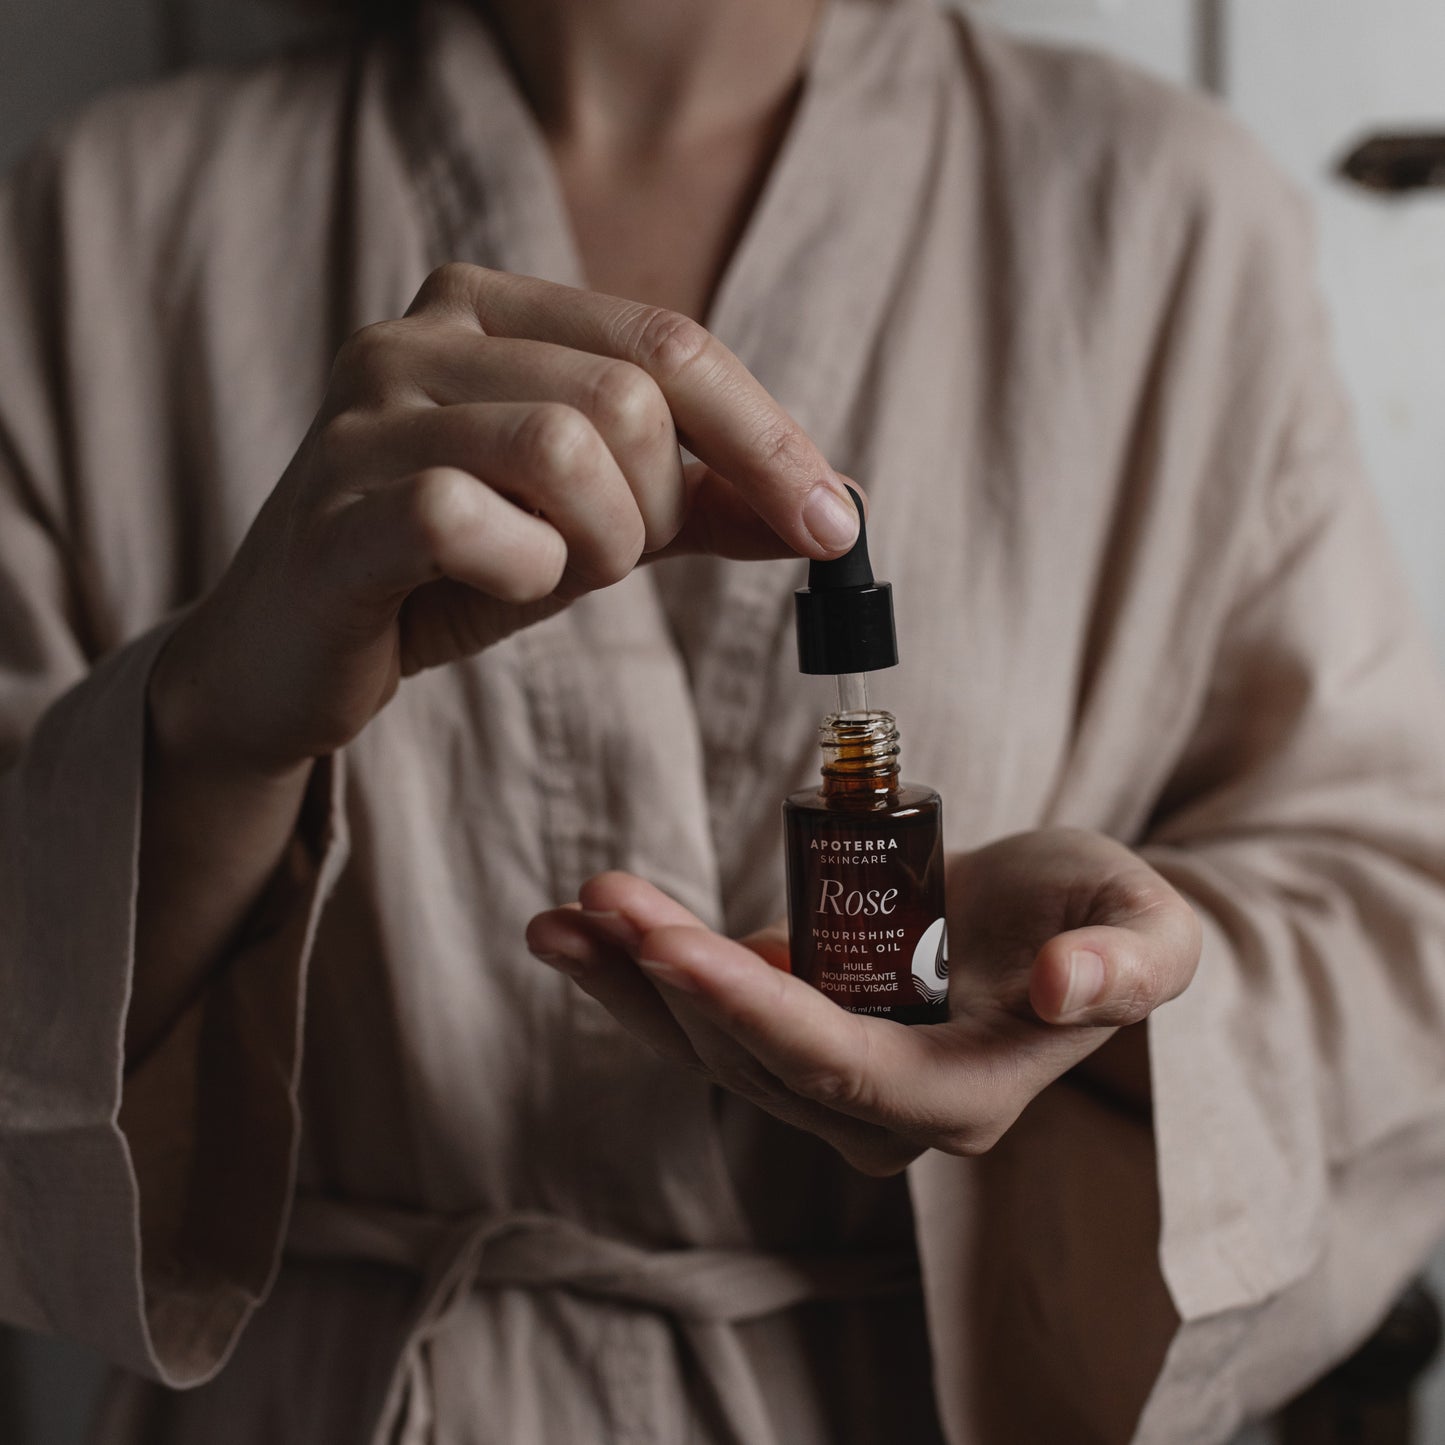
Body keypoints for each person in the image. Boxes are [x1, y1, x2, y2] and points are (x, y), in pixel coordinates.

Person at [2, 0, 1444, 1440]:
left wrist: (1103, 1006)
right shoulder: (100, 224)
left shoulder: (1160, 211)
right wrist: (205, 737)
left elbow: (1395, 929)